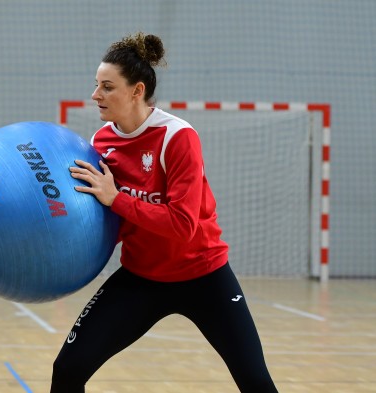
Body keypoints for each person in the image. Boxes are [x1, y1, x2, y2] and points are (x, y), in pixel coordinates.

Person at [52, 32, 278, 392]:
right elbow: (110, 222)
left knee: (254, 380)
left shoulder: (178, 137)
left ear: (136, 91)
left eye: (107, 87)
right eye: (96, 85)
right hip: (141, 278)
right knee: (67, 370)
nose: (96, 95)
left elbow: (183, 225)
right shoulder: (101, 143)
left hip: (204, 277)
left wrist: (117, 199)